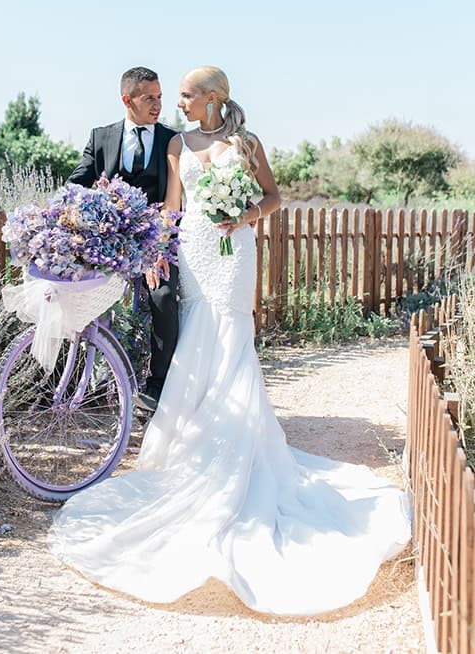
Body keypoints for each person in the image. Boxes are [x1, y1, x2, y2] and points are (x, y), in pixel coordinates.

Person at [49, 66, 411, 616]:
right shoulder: (179, 146)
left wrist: (240, 214)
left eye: (188, 96)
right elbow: (172, 208)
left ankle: (242, 446)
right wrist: (155, 251)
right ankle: (195, 444)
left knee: (232, 337)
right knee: (197, 337)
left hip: (234, 252)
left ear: (212, 99)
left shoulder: (247, 142)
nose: (179, 104)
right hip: (194, 251)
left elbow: (274, 198)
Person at [68, 65, 178, 411]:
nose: (157, 105)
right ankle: (94, 383)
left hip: (157, 239)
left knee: (162, 297)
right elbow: (77, 184)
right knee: (84, 297)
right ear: (127, 100)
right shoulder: (101, 137)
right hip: (109, 242)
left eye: (160, 97)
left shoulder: (170, 140)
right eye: (149, 98)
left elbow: (174, 200)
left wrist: (158, 245)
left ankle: (158, 385)